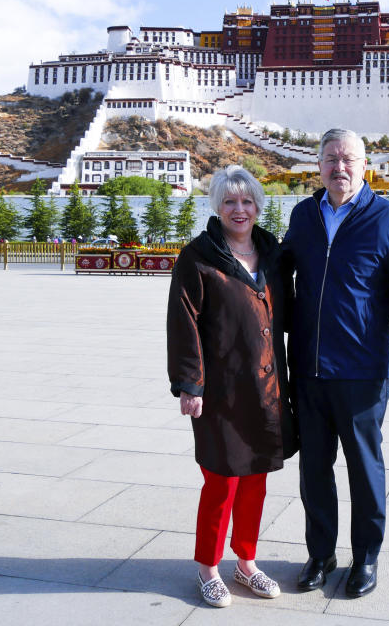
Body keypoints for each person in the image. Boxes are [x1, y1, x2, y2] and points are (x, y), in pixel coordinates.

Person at [282, 128, 389, 598]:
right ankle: (320, 555)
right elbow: (277, 279)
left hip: (362, 373)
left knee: (365, 470)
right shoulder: (303, 216)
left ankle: (365, 558)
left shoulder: (388, 219)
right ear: (318, 165)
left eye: (348, 159)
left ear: (365, 165)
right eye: (330, 159)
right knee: (314, 471)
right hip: (309, 371)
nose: (338, 167)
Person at [167, 165, 297, 608]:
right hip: (219, 393)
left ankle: (246, 563)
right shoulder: (198, 258)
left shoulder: (274, 256)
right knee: (221, 482)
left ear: (258, 206)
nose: (239, 210)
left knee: (256, 481)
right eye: (229, 202)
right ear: (216, 207)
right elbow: (183, 324)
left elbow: (293, 314)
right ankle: (207, 567)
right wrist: (189, 384)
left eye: (246, 201)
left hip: (265, 390)